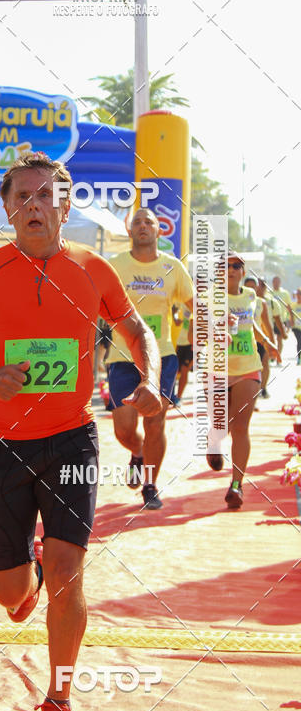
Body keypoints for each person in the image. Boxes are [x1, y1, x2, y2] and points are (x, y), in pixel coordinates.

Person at [0, 152, 161, 711]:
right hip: (5, 445)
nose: (35, 205)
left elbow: (139, 331)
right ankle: (25, 578)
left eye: (46, 195)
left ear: (65, 204)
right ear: (8, 208)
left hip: (71, 438)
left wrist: (153, 377)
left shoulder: (93, 269)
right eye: (23, 197)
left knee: (69, 576)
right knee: (12, 595)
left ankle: (58, 703)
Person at [105, 208, 194, 509]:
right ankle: (138, 450)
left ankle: (151, 485)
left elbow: (196, 304)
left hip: (162, 356)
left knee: (155, 421)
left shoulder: (173, 268)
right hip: (121, 355)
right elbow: (93, 302)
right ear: (130, 231)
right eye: (137, 222)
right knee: (124, 429)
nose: (143, 226)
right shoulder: (114, 266)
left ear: (159, 231)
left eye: (149, 222)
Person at [207, 254, 279, 508]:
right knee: (221, 423)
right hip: (217, 369)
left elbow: (252, 327)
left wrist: (268, 343)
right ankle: (214, 441)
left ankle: (237, 485)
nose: (231, 269)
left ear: (242, 271)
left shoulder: (252, 298)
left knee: (241, 426)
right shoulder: (209, 297)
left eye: (236, 266)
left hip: (248, 366)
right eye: (225, 266)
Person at [244, 275, 274, 395]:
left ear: (257, 288)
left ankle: (263, 388)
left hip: (259, 340)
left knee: (264, 363)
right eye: (248, 287)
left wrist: (272, 342)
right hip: (244, 340)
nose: (251, 289)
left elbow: (267, 324)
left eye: (253, 287)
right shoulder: (237, 300)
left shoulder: (261, 303)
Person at [257, 278, 282, 395]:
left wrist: (275, 339)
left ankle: (263, 388)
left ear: (266, 287)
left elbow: (277, 319)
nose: (260, 287)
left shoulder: (271, 302)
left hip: (265, 338)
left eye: (262, 285)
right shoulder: (247, 299)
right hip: (252, 337)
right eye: (258, 285)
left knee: (265, 363)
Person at [174, 304, 193, 404]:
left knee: (185, 370)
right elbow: (174, 309)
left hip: (191, 344)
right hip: (179, 342)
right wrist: (175, 318)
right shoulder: (183, 298)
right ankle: (170, 395)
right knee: (175, 371)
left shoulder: (203, 301)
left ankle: (178, 398)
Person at [270, 275, 292, 359]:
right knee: (271, 338)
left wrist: (290, 320)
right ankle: (271, 355)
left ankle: (278, 357)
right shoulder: (269, 292)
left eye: (278, 282)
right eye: (274, 282)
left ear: (280, 283)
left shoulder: (285, 293)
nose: (276, 283)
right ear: (272, 283)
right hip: (271, 320)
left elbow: (288, 307)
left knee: (280, 339)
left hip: (281, 319)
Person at [291, 288, 301, 364]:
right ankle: (299, 358)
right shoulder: (293, 305)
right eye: (297, 294)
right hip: (296, 327)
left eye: (299, 294)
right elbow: (291, 315)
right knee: (299, 341)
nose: (298, 295)